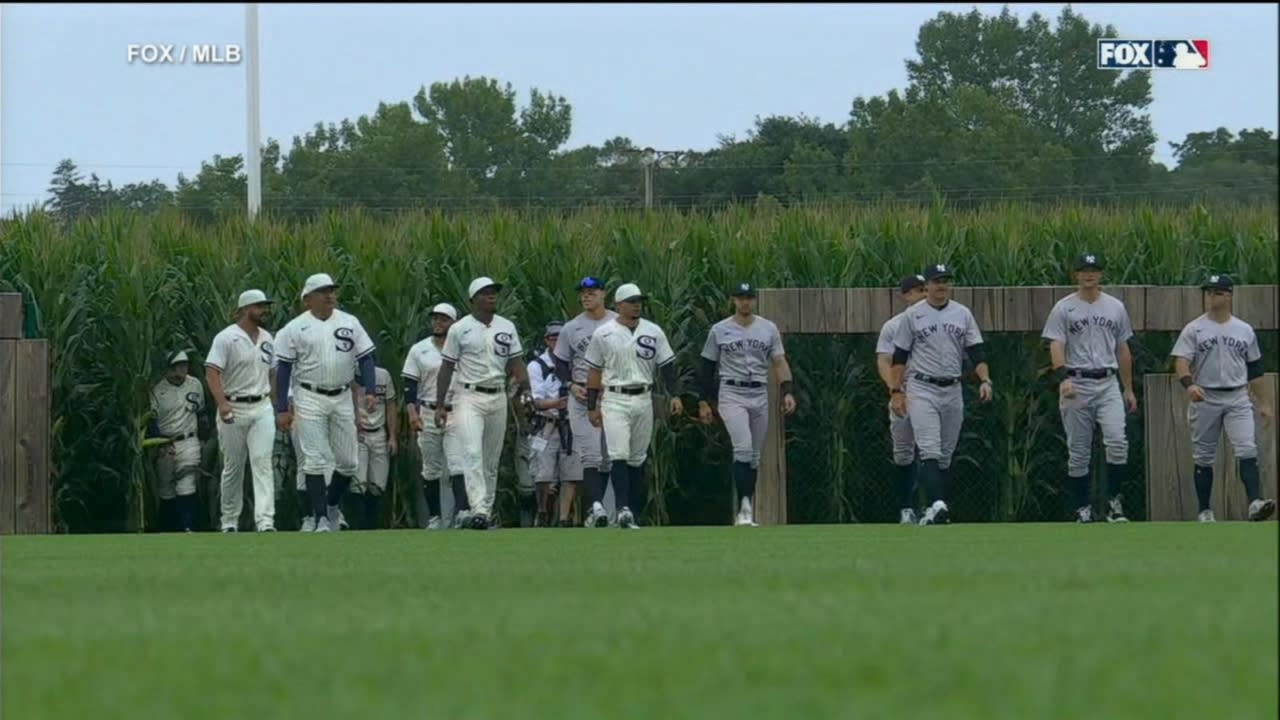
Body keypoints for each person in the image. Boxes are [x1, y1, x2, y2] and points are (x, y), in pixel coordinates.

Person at [889, 263, 993, 526]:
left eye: (945, 280)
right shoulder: (913, 315)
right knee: (930, 449)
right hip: (922, 387)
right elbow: (899, 357)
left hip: (953, 388)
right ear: (928, 287)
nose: (941, 286)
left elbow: (976, 350)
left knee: (945, 454)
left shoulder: (962, 313)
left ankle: (934, 509)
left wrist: (985, 380)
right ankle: (937, 505)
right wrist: (896, 391)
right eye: (936, 281)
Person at [273, 273, 377, 533]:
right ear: (308, 299)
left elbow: (366, 357)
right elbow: (283, 369)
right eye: (322, 291)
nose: (329, 295)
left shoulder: (349, 322)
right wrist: (282, 408)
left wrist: (371, 390)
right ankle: (319, 518)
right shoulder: (294, 328)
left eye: (331, 290)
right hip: (309, 394)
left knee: (349, 462)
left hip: (341, 395)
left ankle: (331, 505)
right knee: (314, 459)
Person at [1042, 253, 1138, 523]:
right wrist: (1063, 377)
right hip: (1077, 381)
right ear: (1076, 275)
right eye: (1084, 270)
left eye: (1094, 270)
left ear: (1101, 275)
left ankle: (1113, 504)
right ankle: (1081, 509)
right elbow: (1056, 344)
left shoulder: (1115, 307)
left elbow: (1123, 348)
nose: (1089, 275)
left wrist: (1127, 388)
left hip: (1107, 381)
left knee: (1118, 442)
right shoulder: (1064, 308)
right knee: (1079, 452)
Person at [1171, 273, 1276, 522]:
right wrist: (1189, 385)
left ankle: (1254, 503)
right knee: (1204, 455)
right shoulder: (1194, 328)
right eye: (1208, 292)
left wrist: (1264, 403)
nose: (1211, 297)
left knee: (1246, 448)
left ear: (1229, 295)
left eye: (1217, 292)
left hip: (1237, 395)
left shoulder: (1243, 329)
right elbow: (1181, 362)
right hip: (1205, 395)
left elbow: (1255, 369)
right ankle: (1205, 510)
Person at [434, 277, 533, 530]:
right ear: (472, 300)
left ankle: (485, 512)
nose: (491, 296)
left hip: (498, 395)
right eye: (485, 293)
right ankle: (477, 506)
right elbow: (446, 368)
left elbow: (516, 362)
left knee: (491, 459)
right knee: (472, 453)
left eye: (493, 292)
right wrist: (440, 404)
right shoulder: (459, 329)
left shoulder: (507, 326)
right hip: (468, 396)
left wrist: (527, 390)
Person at [584, 283, 683, 529]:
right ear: (619, 305)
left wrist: (675, 395)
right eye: (631, 301)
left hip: (643, 397)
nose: (637, 304)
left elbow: (668, 366)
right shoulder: (604, 333)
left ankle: (632, 512)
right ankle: (622, 508)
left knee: (638, 458)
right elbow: (594, 372)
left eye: (639, 300)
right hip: (615, 397)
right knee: (618, 453)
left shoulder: (653, 331)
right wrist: (591, 405)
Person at [697, 282, 796, 527]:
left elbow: (779, 361)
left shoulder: (767, 328)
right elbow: (706, 367)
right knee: (742, 448)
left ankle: (746, 507)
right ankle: (744, 507)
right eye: (741, 297)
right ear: (733, 300)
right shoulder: (720, 330)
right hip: (731, 391)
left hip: (759, 392)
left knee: (753, 456)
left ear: (754, 300)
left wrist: (788, 391)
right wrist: (704, 401)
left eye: (749, 297)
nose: (745, 302)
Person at [205, 289, 278, 533]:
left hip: (262, 405)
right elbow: (212, 372)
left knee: (262, 462)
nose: (264, 310)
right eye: (259, 306)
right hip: (234, 405)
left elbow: (273, 373)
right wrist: (222, 402)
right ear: (246, 309)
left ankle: (265, 521)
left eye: (265, 306)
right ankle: (229, 520)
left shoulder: (268, 338)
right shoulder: (226, 338)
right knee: (234, 465)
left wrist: (278, 406)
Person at [554, 276, 619, 527]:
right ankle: (597, 508)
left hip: (611, 394)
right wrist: (569, 385)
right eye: (582, 293)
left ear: (603, 294)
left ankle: (602, 511)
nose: (586, 296)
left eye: (591, 292)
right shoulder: (572, 327)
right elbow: (560, 361)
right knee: (590, 456)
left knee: (608, 457)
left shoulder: (617, 322)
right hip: (581, 395)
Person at [876, 275, 928, 524]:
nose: (923, 294)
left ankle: (932, 507)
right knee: (904, 453)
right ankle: (906, 508)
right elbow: (884, 360)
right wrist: (895, 390)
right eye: (918, 290)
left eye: (925, 289)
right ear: (905, 295)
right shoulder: (894, 326)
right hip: (903, 392)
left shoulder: (939, 319)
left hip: (930, 391)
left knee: (932, 450)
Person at [404, 303, 460, 530]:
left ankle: (461, 513)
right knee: (431, 468)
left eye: (444, 319)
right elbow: (410, 384)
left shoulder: (462, 349)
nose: (438, 322)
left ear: (453, 323)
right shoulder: (419, 349)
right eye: (435, 318)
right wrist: (412, 414)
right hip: (427, 411)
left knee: (458, 464)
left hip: (456, 410)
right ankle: (435, 517)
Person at [147, 351, 207, 532]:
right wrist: (161, 443)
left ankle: (187, 527)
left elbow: (201, 412)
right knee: (166, 488)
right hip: (165, 442)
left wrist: (203, 438)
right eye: (177, 367)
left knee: (187, 484)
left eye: (184, 366)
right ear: (168, 369)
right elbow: (152, 419)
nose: (181, 371)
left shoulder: (194, 384)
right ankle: (169, 528)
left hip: (189, 439)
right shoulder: (158, 389)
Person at [527, 322, 579, 527]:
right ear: (546, 340)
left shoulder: (576, 363)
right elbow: (536, 401)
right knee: (543, 472)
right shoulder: (537, 366)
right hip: (547, 423)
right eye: (552, 337)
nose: (556, 341)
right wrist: (559, 403)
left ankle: (565, 517)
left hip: (572, 423)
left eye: (560, 337)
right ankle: (542, 512)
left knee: (571, 473)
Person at [350, 365, 398, 529]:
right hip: (359, 433)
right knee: (359, 482)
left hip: (379, 433)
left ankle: (372, 525)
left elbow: (391, 404)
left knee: (378, 484)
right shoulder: (350, 374)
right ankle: (359, 526)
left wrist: (392, 436)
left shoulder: (383, 375)